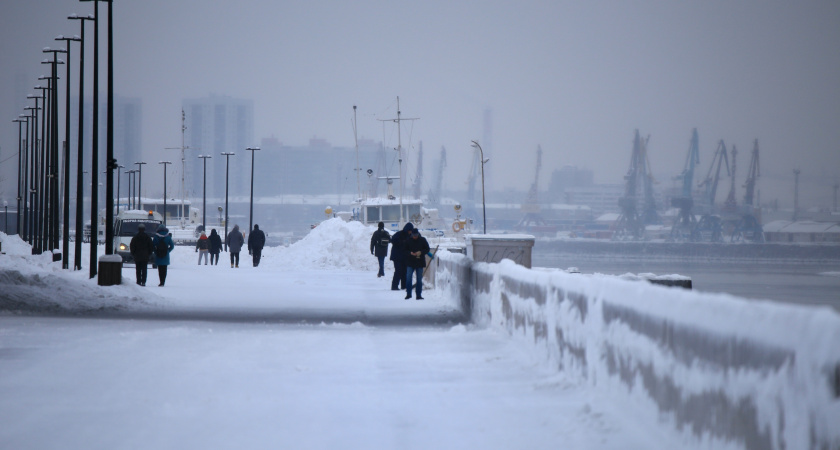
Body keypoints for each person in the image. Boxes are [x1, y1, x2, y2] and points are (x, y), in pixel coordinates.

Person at [405, 228, 431, 300]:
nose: (415, 237)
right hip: (410, 262)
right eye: (413, 235)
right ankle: (408, 294)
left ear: (418, 234)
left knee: (419, 279)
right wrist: (410, 253)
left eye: (416, 235)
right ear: (411, 235)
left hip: (419, 262)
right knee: (408, 278)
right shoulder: (408, 240)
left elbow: (427, 249)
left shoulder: (423, 240)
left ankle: (418, 295)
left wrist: (420, 252)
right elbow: (404, 250)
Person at [389, 222, 413, 291]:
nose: (410, 232)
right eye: (409, 230)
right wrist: (403, 242)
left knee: (404, 271)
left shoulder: (410, 236)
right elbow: (393, 240)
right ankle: (394, 286)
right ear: (407, 229)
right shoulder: (399, 234)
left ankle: (404, 285)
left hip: (404, 257)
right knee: (398, 271)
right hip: (397, 256)